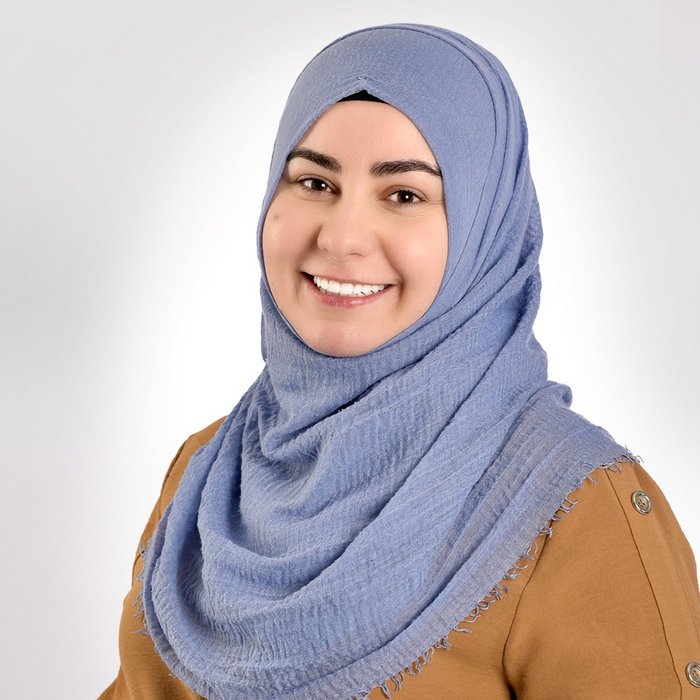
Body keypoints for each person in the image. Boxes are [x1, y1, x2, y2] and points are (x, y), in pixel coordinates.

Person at [99, 23, 700, 699]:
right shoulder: (208, 476)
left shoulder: (574, 512)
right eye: (314, 182)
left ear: (485, 230)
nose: (342, 237)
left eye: (405, 195)